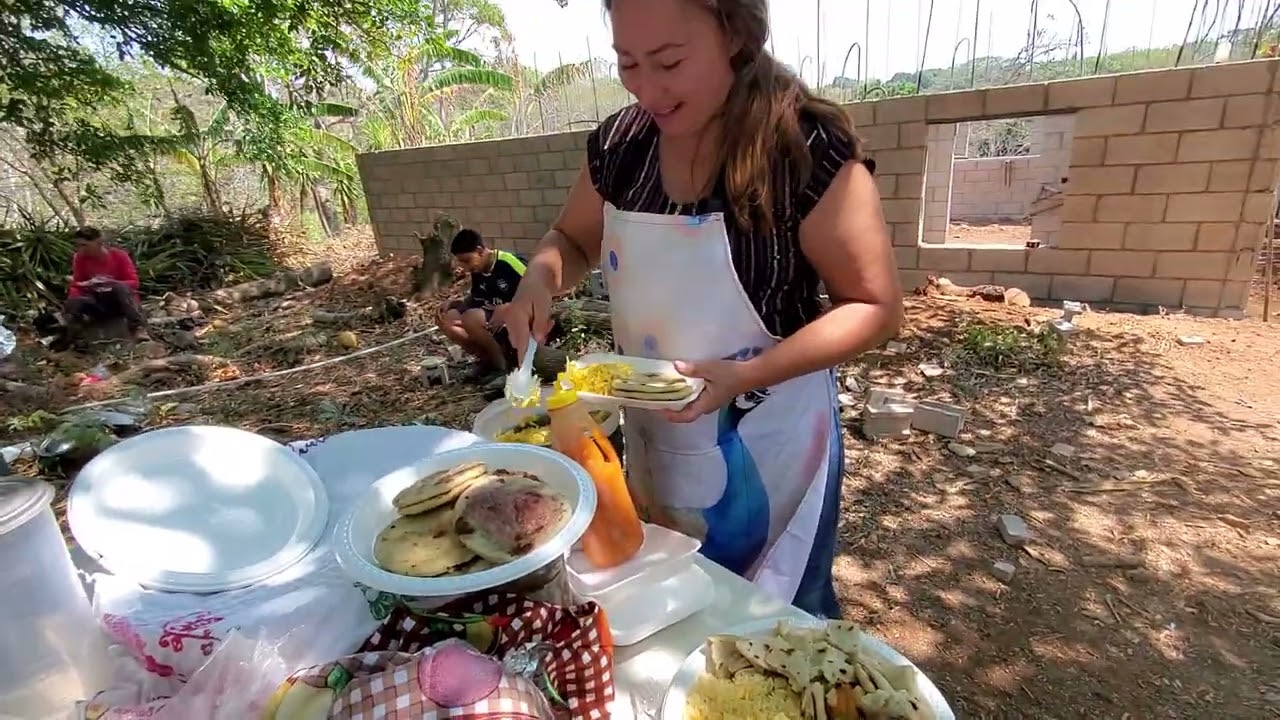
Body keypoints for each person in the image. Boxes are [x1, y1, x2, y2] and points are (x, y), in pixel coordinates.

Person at [501, 0, 902, 618]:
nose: (647, 87)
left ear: (736, 35)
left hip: (771, 437)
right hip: (656, 432)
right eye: (628, 62)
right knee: (677, 602)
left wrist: (745, 375)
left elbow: (873, 306)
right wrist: (540, 280)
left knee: (784, 613)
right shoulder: (621, 144)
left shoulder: (802, 148)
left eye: (669, 62)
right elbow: (574, 239)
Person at [440, 228, 527, 378]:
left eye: (467, 261)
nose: (466, 268)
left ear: (480, 251)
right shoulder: (478, 270)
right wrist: (455, 304)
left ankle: (502, 368)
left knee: (471, 318)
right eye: (462, 263)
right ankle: (486, 360)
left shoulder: (509, 263)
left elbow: (538, 290)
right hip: (492, 319)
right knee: (448, 318)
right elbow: (477, 298)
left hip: (521, 317)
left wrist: (509, 307)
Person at [64, 226, 148, 341]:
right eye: (78, 246)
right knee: (74, 301)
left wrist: (111, 283)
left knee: (120, 288)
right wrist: (85, 286)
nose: (81, 249)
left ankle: (138, 328)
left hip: (119, 301)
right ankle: (77, 339)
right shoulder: (79, 258)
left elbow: (134, 283)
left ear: (98, 243)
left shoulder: (119, 256)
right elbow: (77, 283)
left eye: (84, 245)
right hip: (98, 301)